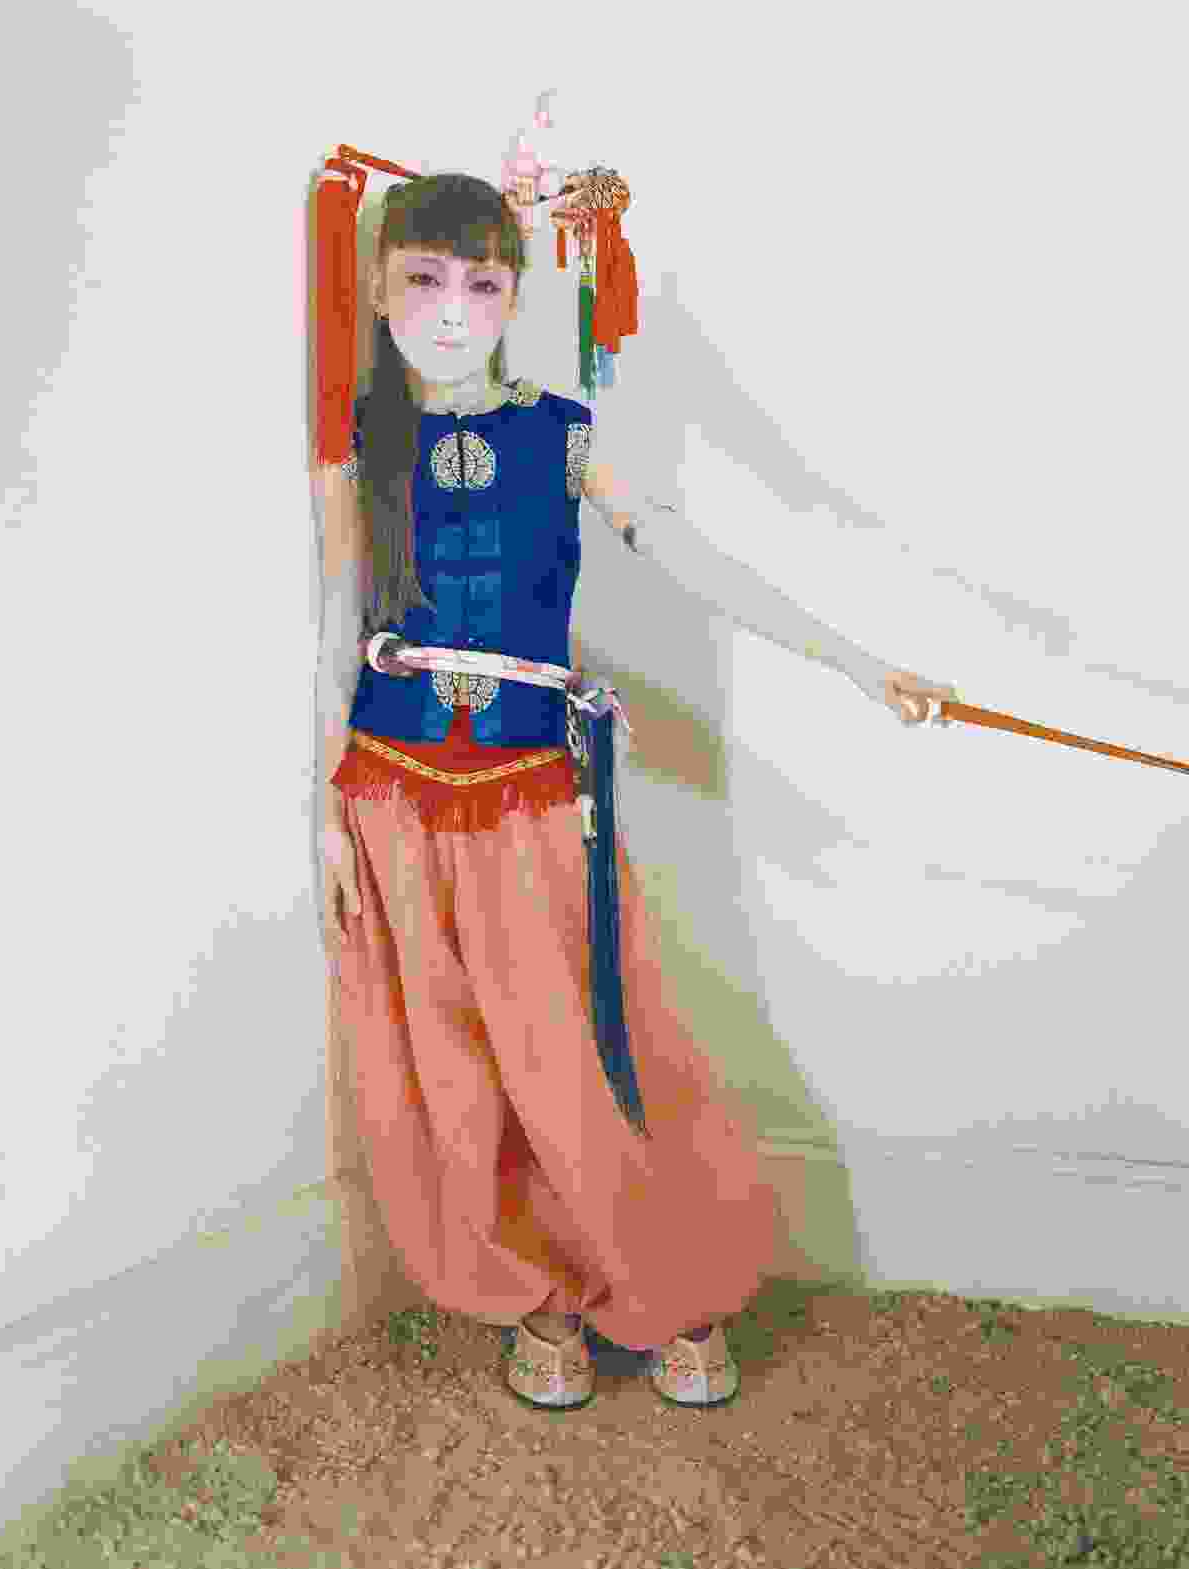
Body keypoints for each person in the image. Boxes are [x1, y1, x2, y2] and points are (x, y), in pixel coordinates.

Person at [317, 173, 957, 1413]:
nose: (451, 309)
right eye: (423, 280)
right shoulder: (360, 441)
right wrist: (321, 812)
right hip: (390, 791)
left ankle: (667, 1284)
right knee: (450, 1065)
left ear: (514, 296)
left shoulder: (562, 432)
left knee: (582, 1044)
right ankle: (537, 1294)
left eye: (482, 283)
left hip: (530, 791)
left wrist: (858, 664)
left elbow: (685, 552)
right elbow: (331, 632)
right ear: (382, 292)